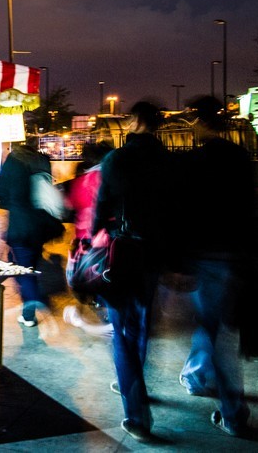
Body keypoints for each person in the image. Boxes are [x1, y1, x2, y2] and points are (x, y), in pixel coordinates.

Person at [91, 101, 172, 442]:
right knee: (140, 323)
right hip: (154, 254)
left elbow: (101, 208)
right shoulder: (168, 161)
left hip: (123, 253)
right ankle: (136, 383)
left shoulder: (117, 159)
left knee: (121, 328)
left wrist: (94, 241)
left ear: (136, 121)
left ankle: (136, 413)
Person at [178, 95, 253, 437]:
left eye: (193, 120)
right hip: (235, 253)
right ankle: (195, 375)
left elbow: (186, 212)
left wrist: (179, 260)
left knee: (216, 332)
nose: (190, 127)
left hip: (206, 255)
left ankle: (234, 412)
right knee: (214, 324)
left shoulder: (195, 161)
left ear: (201, 122)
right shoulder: (240, 157)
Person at [0, 136, 62, 328]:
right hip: (41, 225)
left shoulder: (14, 162)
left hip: (21, 225)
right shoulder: (42, 161)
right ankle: (28, 314)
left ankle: (37, 300)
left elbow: (1, 194)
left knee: (23, 269)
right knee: (28, 263)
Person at [62, 142, 113, 335]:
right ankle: (109, 316)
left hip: (84, 240)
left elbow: (70, 206)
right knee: (107, 276)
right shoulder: (109, 179)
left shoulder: (80, 180)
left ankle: (101, 311)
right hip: (106, 238)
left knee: (90, 277)